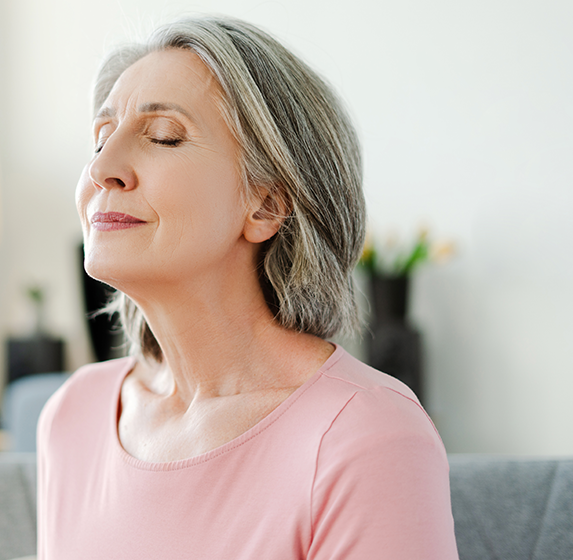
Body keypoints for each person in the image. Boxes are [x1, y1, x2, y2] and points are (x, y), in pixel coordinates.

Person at [37, 15, 458, 559]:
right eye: (99, 140)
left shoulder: (366, 436)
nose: (103, 170)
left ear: (265, 205)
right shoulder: (74, 414)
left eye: (163, 136)